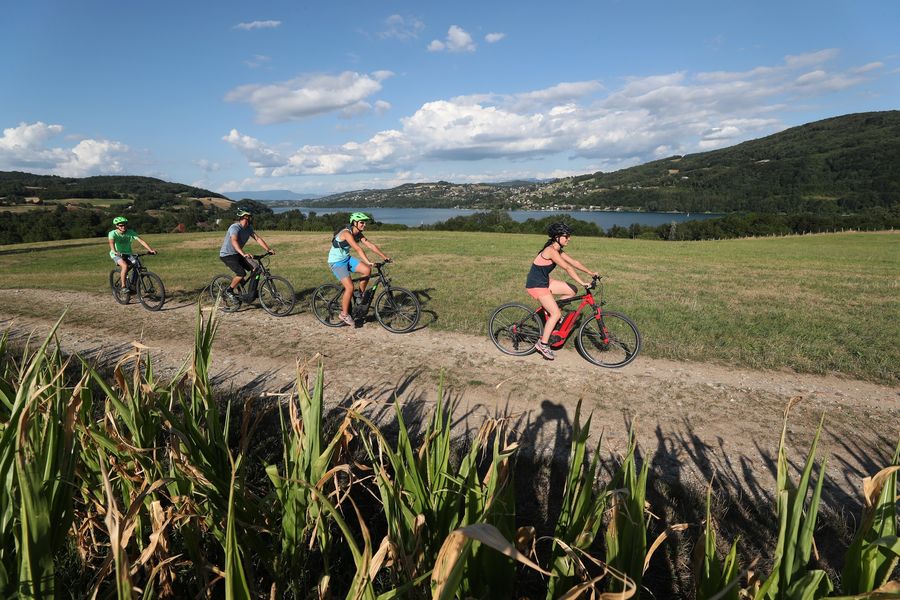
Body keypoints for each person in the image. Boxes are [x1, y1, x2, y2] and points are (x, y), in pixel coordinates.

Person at [525, 222, 599, 360]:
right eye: (567, 236)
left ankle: (552, 312)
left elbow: (574, 263)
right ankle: (543, 344)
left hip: (545, 282)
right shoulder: (550, 251)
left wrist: (591, 273)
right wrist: (583, 282)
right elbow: (568, 268)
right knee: (556, 314)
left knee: (572, 290)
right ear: (557, 237)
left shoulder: (557, 249)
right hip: (536, 285)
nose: (569, 238)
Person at [328, 212, 391, 326]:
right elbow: (358, 249)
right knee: (350, 287)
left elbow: (370, 245)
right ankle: (344, 314)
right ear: (355, 223)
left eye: (364, 222)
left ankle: (359, 296)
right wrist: (368, 261)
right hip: (336, 262)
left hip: (346, 259)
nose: (364, 225)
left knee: (367, 270)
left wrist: (385, 256)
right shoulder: (347, 233)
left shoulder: (358, 234)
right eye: (362, 222)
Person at [219, 209, 275, 298]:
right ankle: (228, 291)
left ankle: (251, 293)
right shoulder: (235, 227)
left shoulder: (249, 228)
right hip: (227, 255)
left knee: (256, 268)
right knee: (241, 273)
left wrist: (268, 249)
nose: (248, 220)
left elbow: (257, 239)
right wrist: (243, 253)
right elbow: (234, 241)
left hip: (237, 253)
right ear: (241, 218)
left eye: (249, 218)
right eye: (246, 218)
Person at [108, 216, 157, 291]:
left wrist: (150, 250)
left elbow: (141, 241)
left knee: (137, 264)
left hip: (128, 253)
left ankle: (133, 285)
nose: (123, 226)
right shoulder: (112, 233)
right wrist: (115, 251)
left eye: (125, 224)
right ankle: (123, 287)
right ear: (117, 226)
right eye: (121, 225)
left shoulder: (130, 232)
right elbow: (111, 243)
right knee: (124, 266)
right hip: (116, 254)